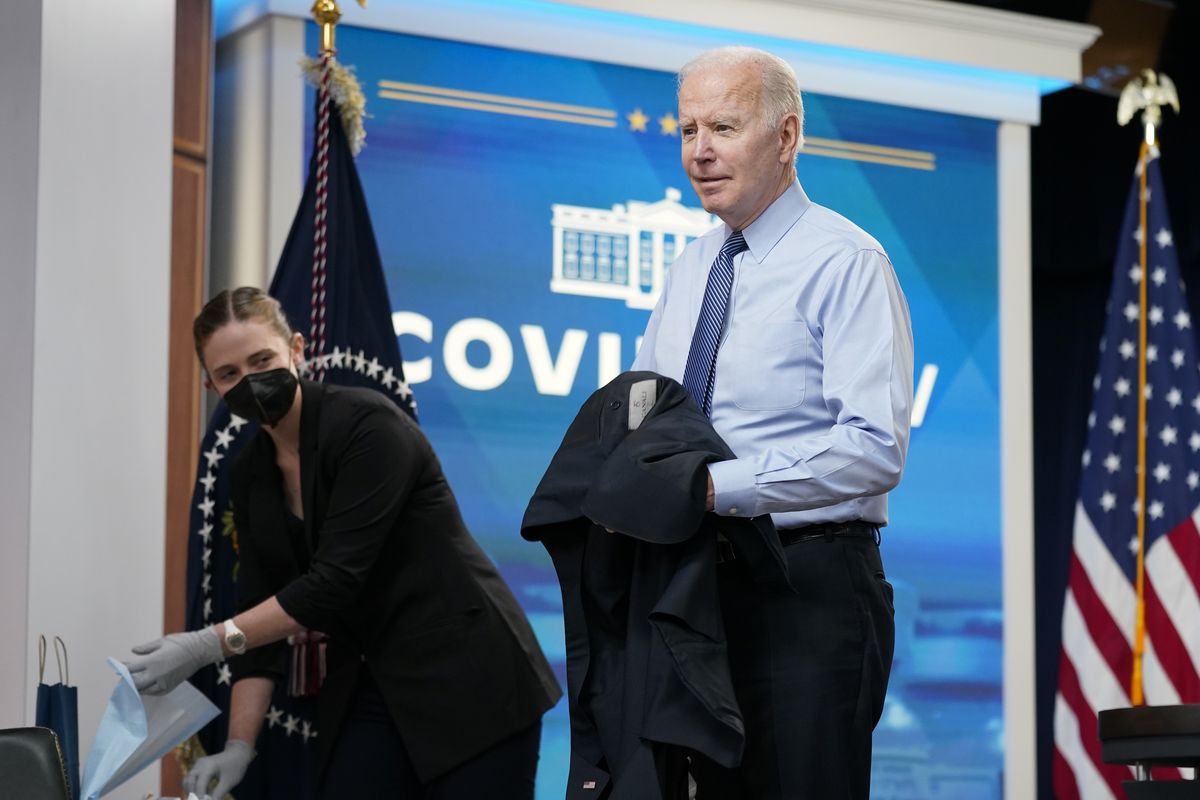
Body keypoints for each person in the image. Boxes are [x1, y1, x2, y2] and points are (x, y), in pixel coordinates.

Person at [125, 287, 561, 799]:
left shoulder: (367, 427)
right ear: (211, 386)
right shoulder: (249, 473)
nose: (250, 381)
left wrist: (204, 644)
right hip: (369, 682)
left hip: (470, 677)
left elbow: (333, 583)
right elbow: (258, 609)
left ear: (296, 349)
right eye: (229, 373)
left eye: (262, 360)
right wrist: (239, 744)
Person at [631, 46, 914, 799]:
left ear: (786, 137)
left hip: (807, 589)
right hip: (695, 589)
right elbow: (648, 417)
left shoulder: (846, 261)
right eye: (688, 129)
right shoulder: (691, 267)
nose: (699, 151)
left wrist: (713, 489)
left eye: (723, 127)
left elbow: (875, 448)